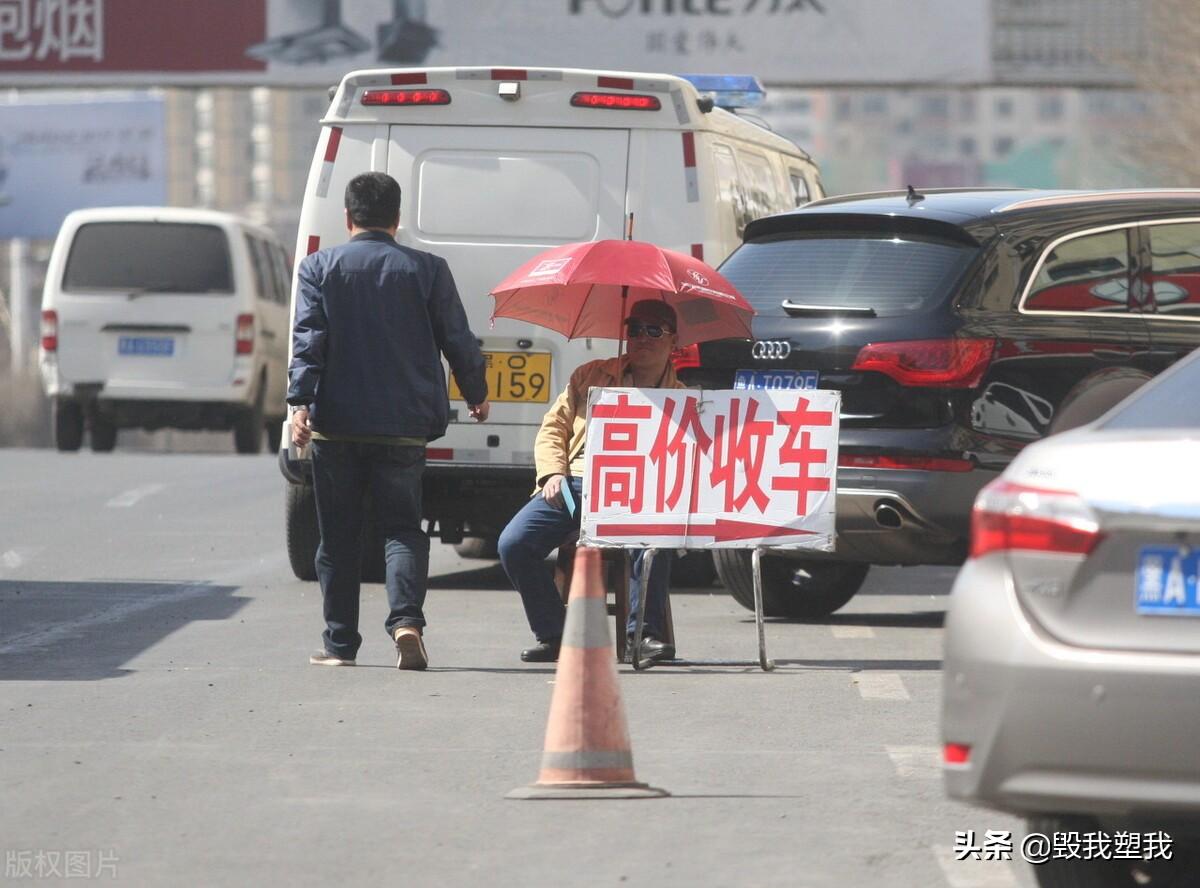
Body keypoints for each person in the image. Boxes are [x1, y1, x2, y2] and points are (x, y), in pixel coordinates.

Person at [289, 171, 489, 670]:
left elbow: (309, 340)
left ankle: (340, 644)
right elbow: (457, 338)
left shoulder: (319, 267)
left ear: (348, 217)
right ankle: (406, 623)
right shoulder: (428, 270)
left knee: (338, 537)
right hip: (403, 427)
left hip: (336, 426)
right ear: (397, 218)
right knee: (402, 528)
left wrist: (300, 404)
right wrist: (476, 393)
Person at [498, 300, 683, 666]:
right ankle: (554, 634)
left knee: (653, 535)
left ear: (673, 341)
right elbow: (553, 428)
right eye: (634, 329)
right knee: (513, 543)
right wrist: (553, 472)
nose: (641, 338)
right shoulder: (590, 374)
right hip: (576, 486)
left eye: (653, 330)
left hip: (641, 494)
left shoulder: (684, 397)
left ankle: (643, 637)